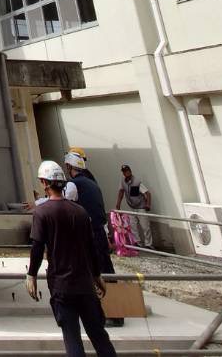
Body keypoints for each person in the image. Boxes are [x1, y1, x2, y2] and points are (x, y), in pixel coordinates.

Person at [26, 160, 118, 357]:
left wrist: (31, 274)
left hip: (61, 285)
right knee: (99, 336)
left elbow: (37, 247)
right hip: (85, 284)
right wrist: (96, 276)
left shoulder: (42, 213)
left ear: (44, 183)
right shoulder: (81, 212)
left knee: (72, 338)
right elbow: (91, 248)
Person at [64, 151, 120, 327]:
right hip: (100, 233)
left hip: (88, 234)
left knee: (90, 273)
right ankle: (117, 312)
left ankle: (99, 314)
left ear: (69, 167)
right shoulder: (93, 183)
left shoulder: (73, 185)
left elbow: (62, 202)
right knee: (106, 270)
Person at [114, 165, 153, 248]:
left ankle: (148, 244)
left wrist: (148, 204)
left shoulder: (136, 182)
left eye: (127, 171)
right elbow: (121, 192)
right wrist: (118, 205)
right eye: (124, 171)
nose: (126, 172)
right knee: (132, 226)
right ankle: (137, 242)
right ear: (123, 173)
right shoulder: (123, 181)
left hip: (141, 207)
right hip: (131, 207)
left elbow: (147, 193)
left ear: (130, 171)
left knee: (145, 226)